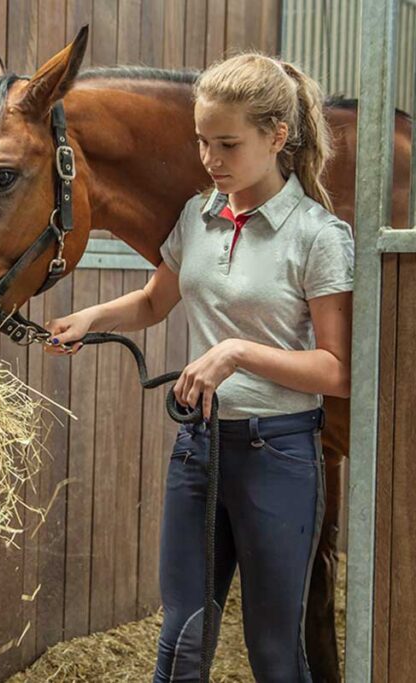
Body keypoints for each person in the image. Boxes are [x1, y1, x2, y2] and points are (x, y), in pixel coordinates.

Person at [47, 54, 353, 682]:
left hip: (282, 454)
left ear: (277, 137)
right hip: (200, 447)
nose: (210, 158)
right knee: (182, 640)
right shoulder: (199, 214)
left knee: (274, 650)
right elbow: (155, 301)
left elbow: (336, 369)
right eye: (202, 141)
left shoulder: (318, 236)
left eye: (228, 143)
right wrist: (89, 318)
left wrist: (234, 352)